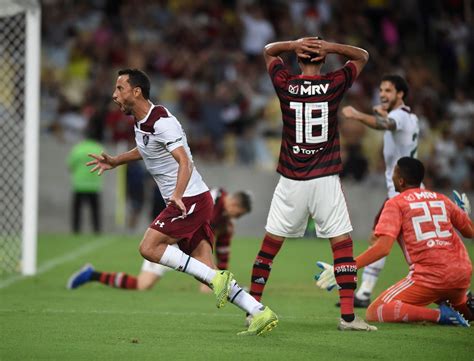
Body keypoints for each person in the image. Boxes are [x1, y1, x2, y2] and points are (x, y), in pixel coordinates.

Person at [80, 68, 277, 336]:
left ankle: (217, 279)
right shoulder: (142, 122)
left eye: (120, 89)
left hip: (189, 199)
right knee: (205, 270)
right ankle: (259, 312)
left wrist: (176, 194)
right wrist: (116, 161)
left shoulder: (162, 121)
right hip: (191, 199)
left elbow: (184, 160)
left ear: (136, 91)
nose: (114, 95)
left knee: (149, 248)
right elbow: (146, 149)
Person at [247, 36, 376, 331]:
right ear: (323, 59)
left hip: (291, 180)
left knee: (269, 248)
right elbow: (362, 56)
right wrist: (333, 47)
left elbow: (268, 52)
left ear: (299, 59)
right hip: (325, 179)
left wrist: (292, 43)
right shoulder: (333, 84)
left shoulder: (285, 83)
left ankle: (252, 309)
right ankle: (347, 317)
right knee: (342, 245)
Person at [316, 157, 473, 327]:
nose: (390, 176)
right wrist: (463, 214)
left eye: (393, 173)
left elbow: (383, 248)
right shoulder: (442, 199)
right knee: (461, 307)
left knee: (376, 311)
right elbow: (469, 232)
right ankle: (466, 307)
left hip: (431, 277)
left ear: (400, 180)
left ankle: (439, 316)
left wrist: (347, 268)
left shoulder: (395, 204)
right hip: (461, 274)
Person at [67, 188, 252, 291]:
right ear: (234, 203)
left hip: (186, 246)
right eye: (239, 213)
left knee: (212, 278)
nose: (237, 217)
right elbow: (201, 216)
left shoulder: (227, 222)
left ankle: (246, 301)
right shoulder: (215, 197)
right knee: (143, 284)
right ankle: (91, 274)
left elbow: (223, 252)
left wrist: (218, 273)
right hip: (166, 243)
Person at [341, 75, 420, 307]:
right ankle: (364, 292)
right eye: (381, 90)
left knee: (396, 245)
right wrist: (381, 114)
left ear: (401, 94)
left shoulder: (399, 116)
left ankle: (435, 286)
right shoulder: (412, 116)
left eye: (388, 90)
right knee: (389, 241)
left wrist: (356, 115)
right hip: (407, 192)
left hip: (400, 195)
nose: (383, 94)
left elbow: (386, 124)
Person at [67, 125, 104, 234]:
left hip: (79, 184)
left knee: (77, 211)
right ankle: (96, 230)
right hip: (94, 184)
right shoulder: (99, 148)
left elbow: (70, 165)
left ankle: (76, 230)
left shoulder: (77, 148)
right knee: (95, 211)